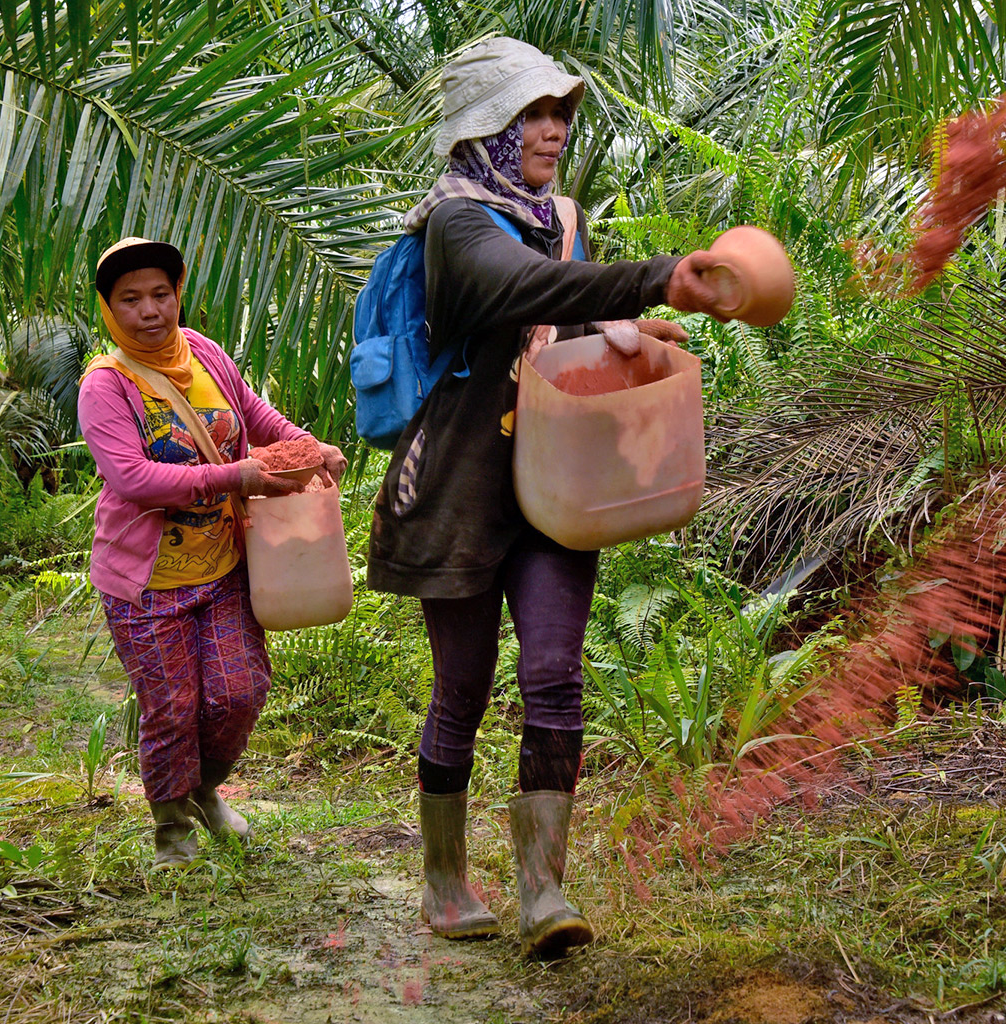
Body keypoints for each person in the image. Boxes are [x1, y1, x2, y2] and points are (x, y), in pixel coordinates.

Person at [366, 38, 725, 957]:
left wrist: (621, 329)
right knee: (463, 689)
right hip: (460, 485)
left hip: (556, 478)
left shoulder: (563, 216)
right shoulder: (454, 223)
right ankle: (445, 883)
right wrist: (655, 273)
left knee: (555, 674)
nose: (555, 129)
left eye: (563, 111)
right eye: (536, 112)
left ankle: (542, 893)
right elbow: (513, 285)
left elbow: (559, 312)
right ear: (489, 124)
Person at [78, 236, 346, 867]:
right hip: (146, 583)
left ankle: (205, 789)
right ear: (109, 309)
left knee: (240, 691)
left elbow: (255, 415)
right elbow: (133, 479)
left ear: (177, 295)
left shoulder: (203, 352)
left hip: (223, 566)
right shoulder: (105, 387)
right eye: (131, 299)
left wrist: (309, 447)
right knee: (172, 706)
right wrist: (238, 478)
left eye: (160, 294)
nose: (150, 310)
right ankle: (172, 827)